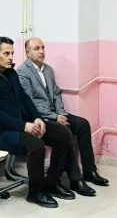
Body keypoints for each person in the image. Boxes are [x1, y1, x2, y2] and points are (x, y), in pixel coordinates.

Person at [0, 37, 94, 208]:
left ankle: (52, 182)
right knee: (35, 145)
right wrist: (24, 126)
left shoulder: (10, 72)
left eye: (12, 53)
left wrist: (37, 118)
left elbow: (24, 98)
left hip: (19, 124)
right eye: (6, 53)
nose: (11, 57)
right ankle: (36, 192)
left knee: (62, 134)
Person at [17, 37, 110, 188]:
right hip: (39, 118)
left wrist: (61, 113)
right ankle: (75, 180)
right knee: (65, 132)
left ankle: (89, 171)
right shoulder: (22, 73)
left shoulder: (47, 69)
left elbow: (56, 93)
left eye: (43, 47)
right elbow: (30, 103)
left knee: (83, 124)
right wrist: (55, 117)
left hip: (55, 113)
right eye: (36, 48)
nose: (41, 51)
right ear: (27, 53)